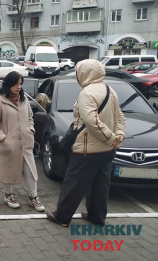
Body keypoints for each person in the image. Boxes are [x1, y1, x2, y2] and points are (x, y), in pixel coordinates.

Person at [46, 59, 126, 227]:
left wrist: (111, 137)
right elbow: (120, 116)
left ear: (85, 73)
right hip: (107, 150)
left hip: (87, 149)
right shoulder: (110, 90)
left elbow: (92, 122)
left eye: (78, 72)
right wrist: (118, 135)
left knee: (73, 183)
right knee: (100, 184)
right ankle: (97, 217)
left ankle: (62, 216)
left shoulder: (87, 93)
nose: (77, 75)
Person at [0, 71, 45, 212]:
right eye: (15, 84)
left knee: (31, 171)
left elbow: (30, 117)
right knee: (9, 171)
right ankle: (8, 195)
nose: (18, 87)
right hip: (8, 145)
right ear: (8, 84)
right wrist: (3, 138)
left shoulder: (24, 100)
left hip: (25, 143)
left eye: (20, 83)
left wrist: (30, 128)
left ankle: (34, 196)